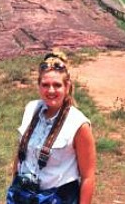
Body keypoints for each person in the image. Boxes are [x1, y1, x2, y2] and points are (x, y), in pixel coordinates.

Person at [8, 51, 96, 204]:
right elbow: (22, 151)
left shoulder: (78, 124)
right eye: (45, 85)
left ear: (67, 86)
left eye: (57, 85)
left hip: (56, 198)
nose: (51, 91)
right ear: (38, 85)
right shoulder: (30, 109)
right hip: (22, 195)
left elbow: (88, 177)